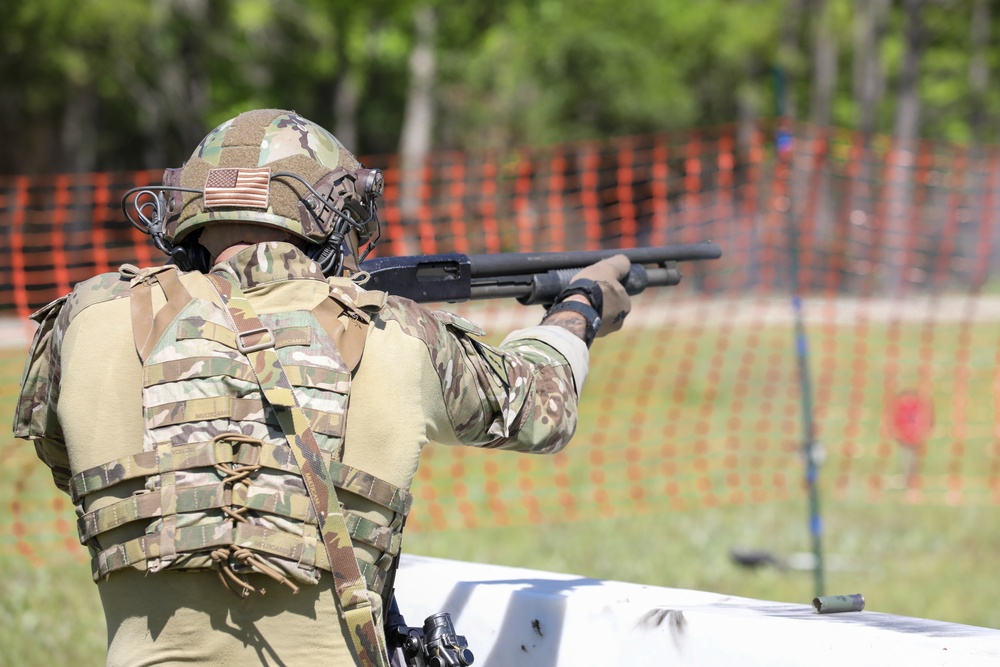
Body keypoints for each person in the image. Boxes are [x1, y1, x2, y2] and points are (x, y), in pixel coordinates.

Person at [14, 108, 631, 667]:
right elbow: (544, 409)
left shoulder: (85, 318)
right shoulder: (397, 328)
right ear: (336, 212)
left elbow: (66, 459)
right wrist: (579, 306)